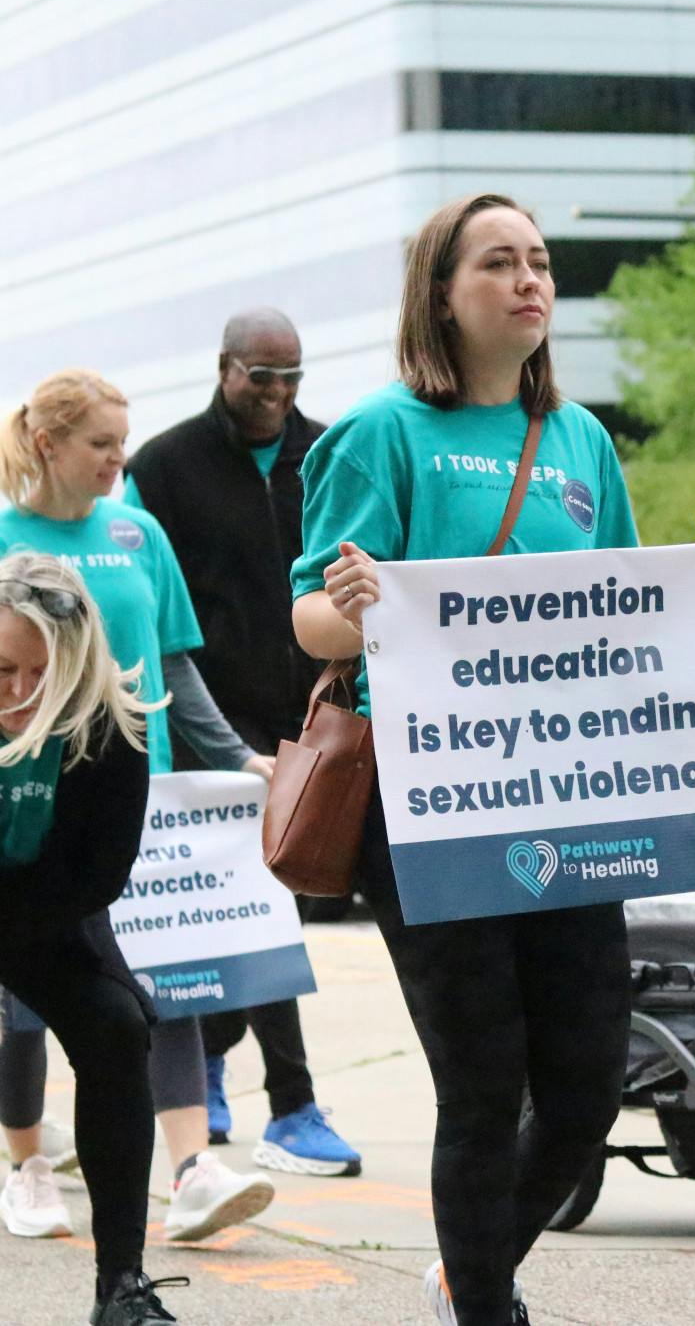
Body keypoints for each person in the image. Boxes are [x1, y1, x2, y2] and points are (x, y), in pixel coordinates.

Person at [289, 192, 695, 1326]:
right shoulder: (381, 432)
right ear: (441, 296)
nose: (529, 280)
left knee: (587, 1086)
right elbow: (309, 618)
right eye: (498, 263)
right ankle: (489, 1308)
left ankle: (477, 1265)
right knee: (481, 1080)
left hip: (567, 803)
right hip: (431, 805)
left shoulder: (582, 441)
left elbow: (619, 615)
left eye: (540, 262)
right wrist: (350, 607)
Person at [0, 369, 277, 1245]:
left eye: (124, 441)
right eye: (101, 444)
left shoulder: (139, 532)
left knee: (160, 971)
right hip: (31, 797)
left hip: (130, 790)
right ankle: (27, 1161)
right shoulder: (6, 535)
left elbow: (176, 666)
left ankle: (193, 1166)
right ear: (48, 445)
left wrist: (237, 755)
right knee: (33, 979)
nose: (121, 458)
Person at [123, 307, 361, 1179]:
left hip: (313, 717)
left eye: (292, 377)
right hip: (205, 728)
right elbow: (155, 618)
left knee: (270, 907)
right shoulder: (163, 466)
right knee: (253, 911)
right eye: (261, 377)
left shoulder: (331, 452)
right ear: (224, 368)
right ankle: (288, 1102)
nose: (277, 395)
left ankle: (222, 1067)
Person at [0, 550, 184, 1325]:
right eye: (2, 668)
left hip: (44, 909)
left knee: (116, 1027)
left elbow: (94, 878)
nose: (17, 691)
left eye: (39, 672)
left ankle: (122, 1286)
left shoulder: (116, 724)